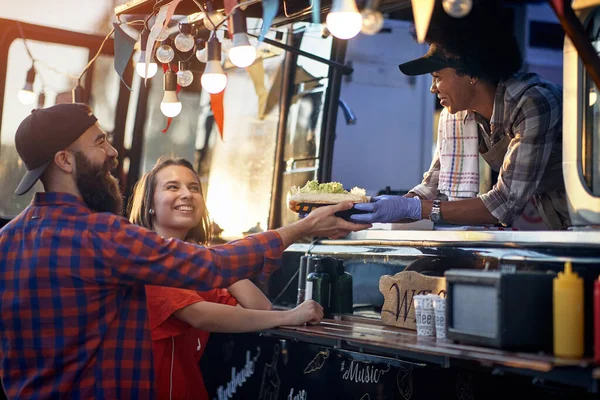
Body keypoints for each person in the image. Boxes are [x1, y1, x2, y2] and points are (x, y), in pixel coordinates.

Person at [0, 103, 370, 399]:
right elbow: (212, 269)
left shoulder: (7, 240)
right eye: (99, 142)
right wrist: (303, 228)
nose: (112, 152)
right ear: (64, 160)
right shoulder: (102, 235)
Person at [128, 157, 325, 400]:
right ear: (150, 203)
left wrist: (212, 260)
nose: (187, 194)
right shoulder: (147, 256)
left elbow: (259, 307)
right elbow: (199, 315)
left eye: (194, 188)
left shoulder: (195, 266)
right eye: (172, 187)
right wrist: (290, 316)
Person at [351, 11, 568, 230]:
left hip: (588, 207)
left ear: (472, 73)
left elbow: (504, 204)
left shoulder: (533, 103)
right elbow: (432, 187)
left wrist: (413, 208)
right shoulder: (459, 114)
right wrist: (378, 207)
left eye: (437, 78)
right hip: (555, 216)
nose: (432, 88)